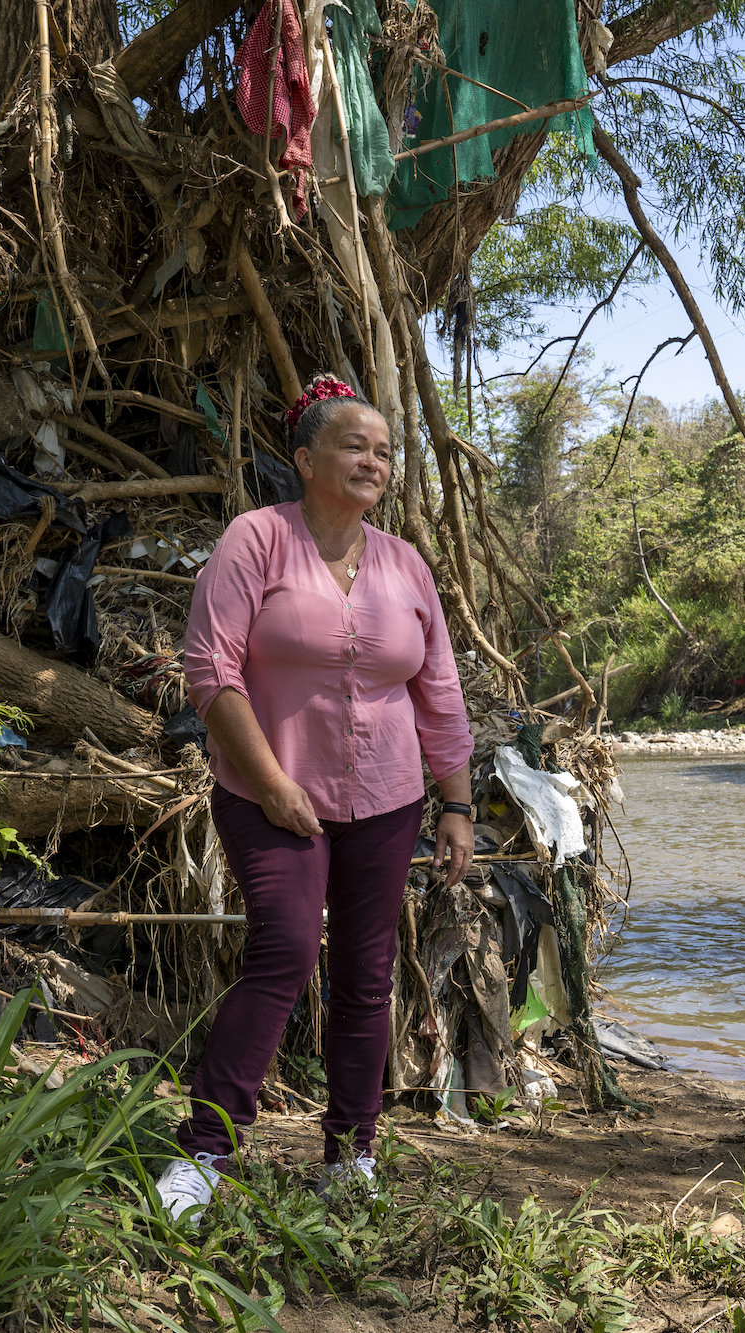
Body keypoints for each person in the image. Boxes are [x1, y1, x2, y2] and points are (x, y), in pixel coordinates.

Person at [153, 374, 476, 1221]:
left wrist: (457, 804)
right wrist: (271, 783)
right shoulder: (255, 540)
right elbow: (210, 670)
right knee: (288, 950)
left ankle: (351, 1154)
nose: (374, 459)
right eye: (353, 444)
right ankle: (206, 1152)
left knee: (368, 977)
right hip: (268, 794)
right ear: (305, 457)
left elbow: (438, 692)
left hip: (388, 799)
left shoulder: (406, 564)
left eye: (383, 449)